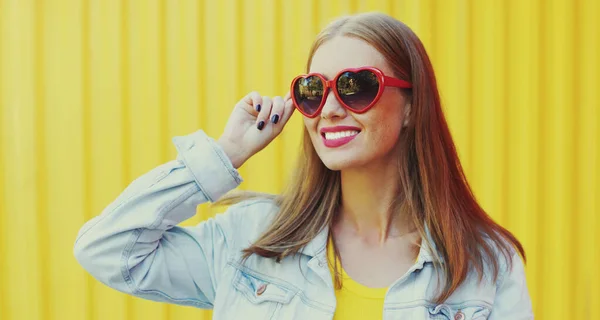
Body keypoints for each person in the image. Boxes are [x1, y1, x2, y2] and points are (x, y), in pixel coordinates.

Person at [74, 12, 533, 319]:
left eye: (355, 86)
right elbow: (107, 250)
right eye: (314, 90)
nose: (330, 108)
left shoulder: (485, 264)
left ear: (412, 106)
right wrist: (224, 154)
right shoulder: (251, 240)